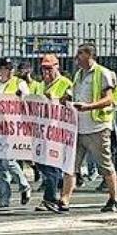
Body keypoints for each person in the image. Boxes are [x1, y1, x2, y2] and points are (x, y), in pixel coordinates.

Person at [60, 43, 117, 213]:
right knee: (71, 165)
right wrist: (66, 98)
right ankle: (64, 200)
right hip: (78, 128)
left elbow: (109, 99)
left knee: (105, 165)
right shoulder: (79, 74)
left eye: (80, 53)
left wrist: (88, 107)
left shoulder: (103, 73)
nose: (76, 56)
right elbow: (75, 94)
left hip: (97, 127)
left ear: (90, 55)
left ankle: (114, 199)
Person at [0, 58, 32, 208]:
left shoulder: (19, 83)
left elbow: (27, 103)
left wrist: (20, 98)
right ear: (0, 69)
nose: (10, 70)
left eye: (11, 67)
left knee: (9, 160)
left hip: (13, 127)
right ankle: (3, 197)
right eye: (6, 68)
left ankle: (24, 185)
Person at [31, 53, 73, 213]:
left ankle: (49, 198)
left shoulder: (65, 83)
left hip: (58, 131)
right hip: (42, 131)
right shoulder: (41, 85)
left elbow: (70, 103)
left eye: (49, 68)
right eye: (44, 69)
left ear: (57, 67)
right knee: (41, 163)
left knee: (51, 165)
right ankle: (57, 185)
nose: (46, 72)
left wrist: (55, 98)